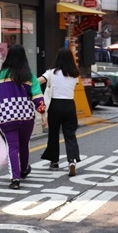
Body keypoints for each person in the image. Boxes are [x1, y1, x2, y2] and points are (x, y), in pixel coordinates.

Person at [0, 45, 47, 189]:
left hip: (7, 117)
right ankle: (24, 169)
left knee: (12, 147)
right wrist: (43, 114)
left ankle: (15, 179)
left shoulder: (1, 75)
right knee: (24, 145)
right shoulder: (29, 75)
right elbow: (37, 96)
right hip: (26, 117)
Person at [38, 47, 81, 177]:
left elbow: (38, 81)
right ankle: (72, 161)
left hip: (55, 106)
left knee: (54, 134)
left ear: (58, 59)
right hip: (69, 106)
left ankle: (54, 162)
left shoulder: (51, 73)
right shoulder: (75, 74)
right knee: (70, 135)